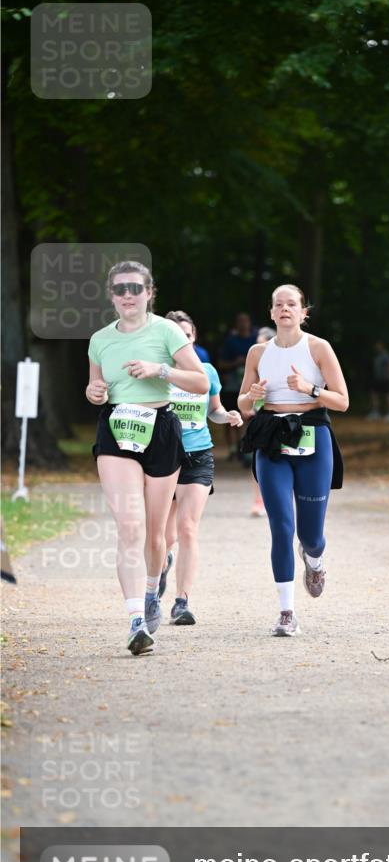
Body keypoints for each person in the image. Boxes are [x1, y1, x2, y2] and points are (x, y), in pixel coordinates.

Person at [86, 261, 208, 655]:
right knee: (130, 528)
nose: (127, 295)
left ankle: (154, 588)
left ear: (149, 293)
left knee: (156, 534)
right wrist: (96, 392)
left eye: (135, 288)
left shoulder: (167, 331)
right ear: (111, 296)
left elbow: (201, 381)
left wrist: (162, 369)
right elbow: (95, 385)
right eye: (120, 289)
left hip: (160, 428)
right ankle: (136, 620)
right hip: (117, 429)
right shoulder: (100, 340)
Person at [238, 284, 348, 636]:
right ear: (271, 313)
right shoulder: (258, 352)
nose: (284, 309)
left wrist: (309, 389)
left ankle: (313, 559)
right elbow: (243, 404)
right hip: (271, 437)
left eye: (292, 304)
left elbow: (342, 401)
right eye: (278, 304)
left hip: (313, 434)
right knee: (281, 527)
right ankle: (287, 612)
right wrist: (252, 397)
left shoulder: (318, 348)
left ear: (304, 312)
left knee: (310, 533)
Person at [158, 311, 242, 624]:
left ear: (194, 339)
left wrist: (228, 416)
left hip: (199, 455)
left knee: (188, 528)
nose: (184, 341)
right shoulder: (159, 372)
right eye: (176, 336)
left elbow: (215, 411)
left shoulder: (207, 372)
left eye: (188, 336)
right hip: (164, 458)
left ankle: (182, 602)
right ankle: (162, 563)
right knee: (164, 537)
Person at [218, 312, 257, 460]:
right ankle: (233, 449)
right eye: (239, 321)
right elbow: (221, 363)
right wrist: (236, 362)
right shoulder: (230, 341)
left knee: (250, 416)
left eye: (245, 321)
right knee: (230, 416)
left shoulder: (256, 340)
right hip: (233, 385)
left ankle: (246, 448)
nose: (242, 324)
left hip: (252, 386)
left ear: (249, 323)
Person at [249, 326, 277, 517]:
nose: (258, 346)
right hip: (261, 418)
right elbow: (247, 394)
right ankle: (259, 500)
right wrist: (250, 407)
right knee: (259, 459)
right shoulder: (255, 361)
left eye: (262, 342)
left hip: (285, 419)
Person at [367, 340, 389, 421]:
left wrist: (387, 376)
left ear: (382, 345)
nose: (376, 346)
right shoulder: (377, 355)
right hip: (377, 379)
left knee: (388, 395)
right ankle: (376, 412)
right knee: (374, 394)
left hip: (386, 379)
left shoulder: (386, 355)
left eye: (378, 345)